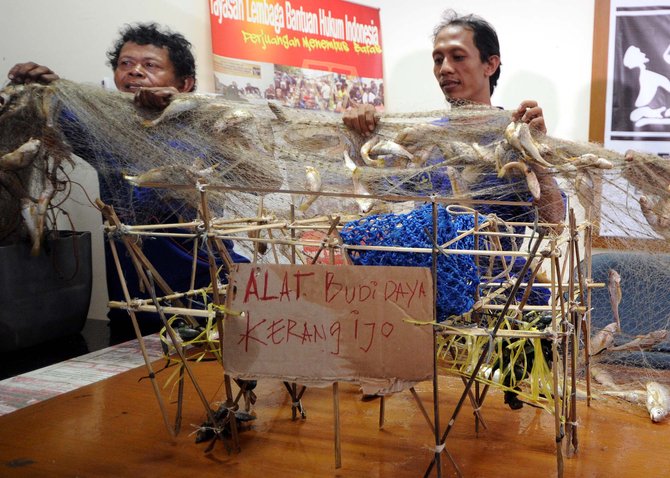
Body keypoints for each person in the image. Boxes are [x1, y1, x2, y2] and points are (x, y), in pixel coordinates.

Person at [343, 10, 565, 408]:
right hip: (426, 292)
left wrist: (539, 154)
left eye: (458, 57)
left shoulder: (515, 135)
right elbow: (376, 192)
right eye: (438, 58)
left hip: (498, 292)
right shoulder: (424, 139)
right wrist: (359, 137)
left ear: (490, 64)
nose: (445, 68)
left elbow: (554, 223)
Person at [7, 22, 247, 341]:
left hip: (208, 302)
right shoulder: (104, 135)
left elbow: (249, 159)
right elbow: (62, 108)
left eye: (150, 65)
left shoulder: (206, 132)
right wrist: (46, 86)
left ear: (185, 83)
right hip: (133, 311)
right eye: (125, 64)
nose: (134, 72)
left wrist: (179, 106)